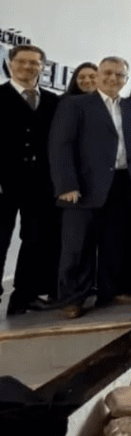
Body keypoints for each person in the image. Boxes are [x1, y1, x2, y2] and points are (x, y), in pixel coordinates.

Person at [49, 56, 131, 318]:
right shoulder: (75, 105)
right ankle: (72, 298)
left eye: (119, 74)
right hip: (82, 186)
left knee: (115, 242)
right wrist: (67, 184)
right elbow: (61, 146)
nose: (113, 78)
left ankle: (111, 290)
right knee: (77, 245)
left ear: (126, 79)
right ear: (98, 75)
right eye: (107, 73)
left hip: (122, 183)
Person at [0, 45, 60, 314]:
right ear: (10, 63)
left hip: (41, 183)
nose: (27, 67)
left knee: (36, 239)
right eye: (22, 61)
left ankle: (24, 296)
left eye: (34, 63)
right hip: (4, 182)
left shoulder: (53, 101)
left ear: (42, 67)